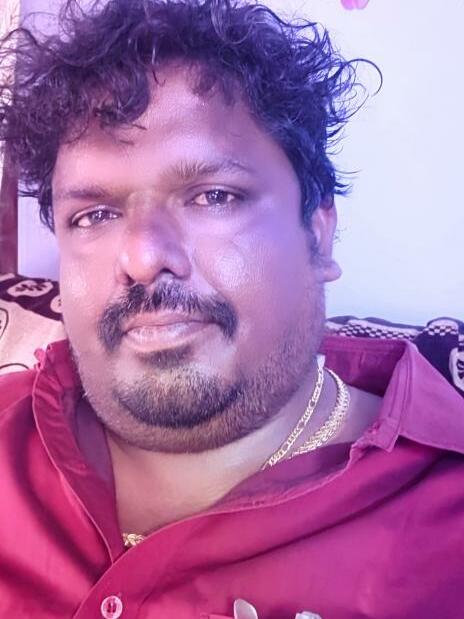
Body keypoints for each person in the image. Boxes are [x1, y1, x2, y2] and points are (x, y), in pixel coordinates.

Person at [0, 1, 463, 617]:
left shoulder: (445, 529)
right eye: (95, 215)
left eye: (214, 196)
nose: (143, 256)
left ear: (318, 232)